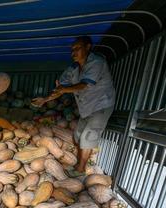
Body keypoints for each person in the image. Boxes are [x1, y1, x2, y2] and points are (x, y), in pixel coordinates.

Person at [32, 36, 116, 176]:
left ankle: (81, 169)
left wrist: (64, 89)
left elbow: (85, 85)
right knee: (77, 136)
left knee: (88, 136)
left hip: (101, 104)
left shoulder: (97, 62)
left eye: (77, 48)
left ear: (88, 47)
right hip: (86, 107)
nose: (73, 53)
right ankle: (78, 162)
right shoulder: (73, 69)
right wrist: (45, 99)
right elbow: (60, 89)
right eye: (72, 50)